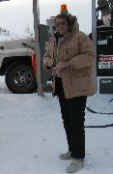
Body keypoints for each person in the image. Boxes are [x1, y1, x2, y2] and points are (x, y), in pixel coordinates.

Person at [43, 8, 95, 173]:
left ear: (69, 23)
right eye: (57, 24)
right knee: (67, 120)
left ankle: (78, 158)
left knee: (76, 122)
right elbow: (46, 56)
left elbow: (90, 56)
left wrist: (68, 63)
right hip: (60, 86)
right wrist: (50, 63)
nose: (59, 26)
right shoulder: (53, 39)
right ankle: (73, 149)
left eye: (62, 23)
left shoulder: (80, 37)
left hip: (77, 86)